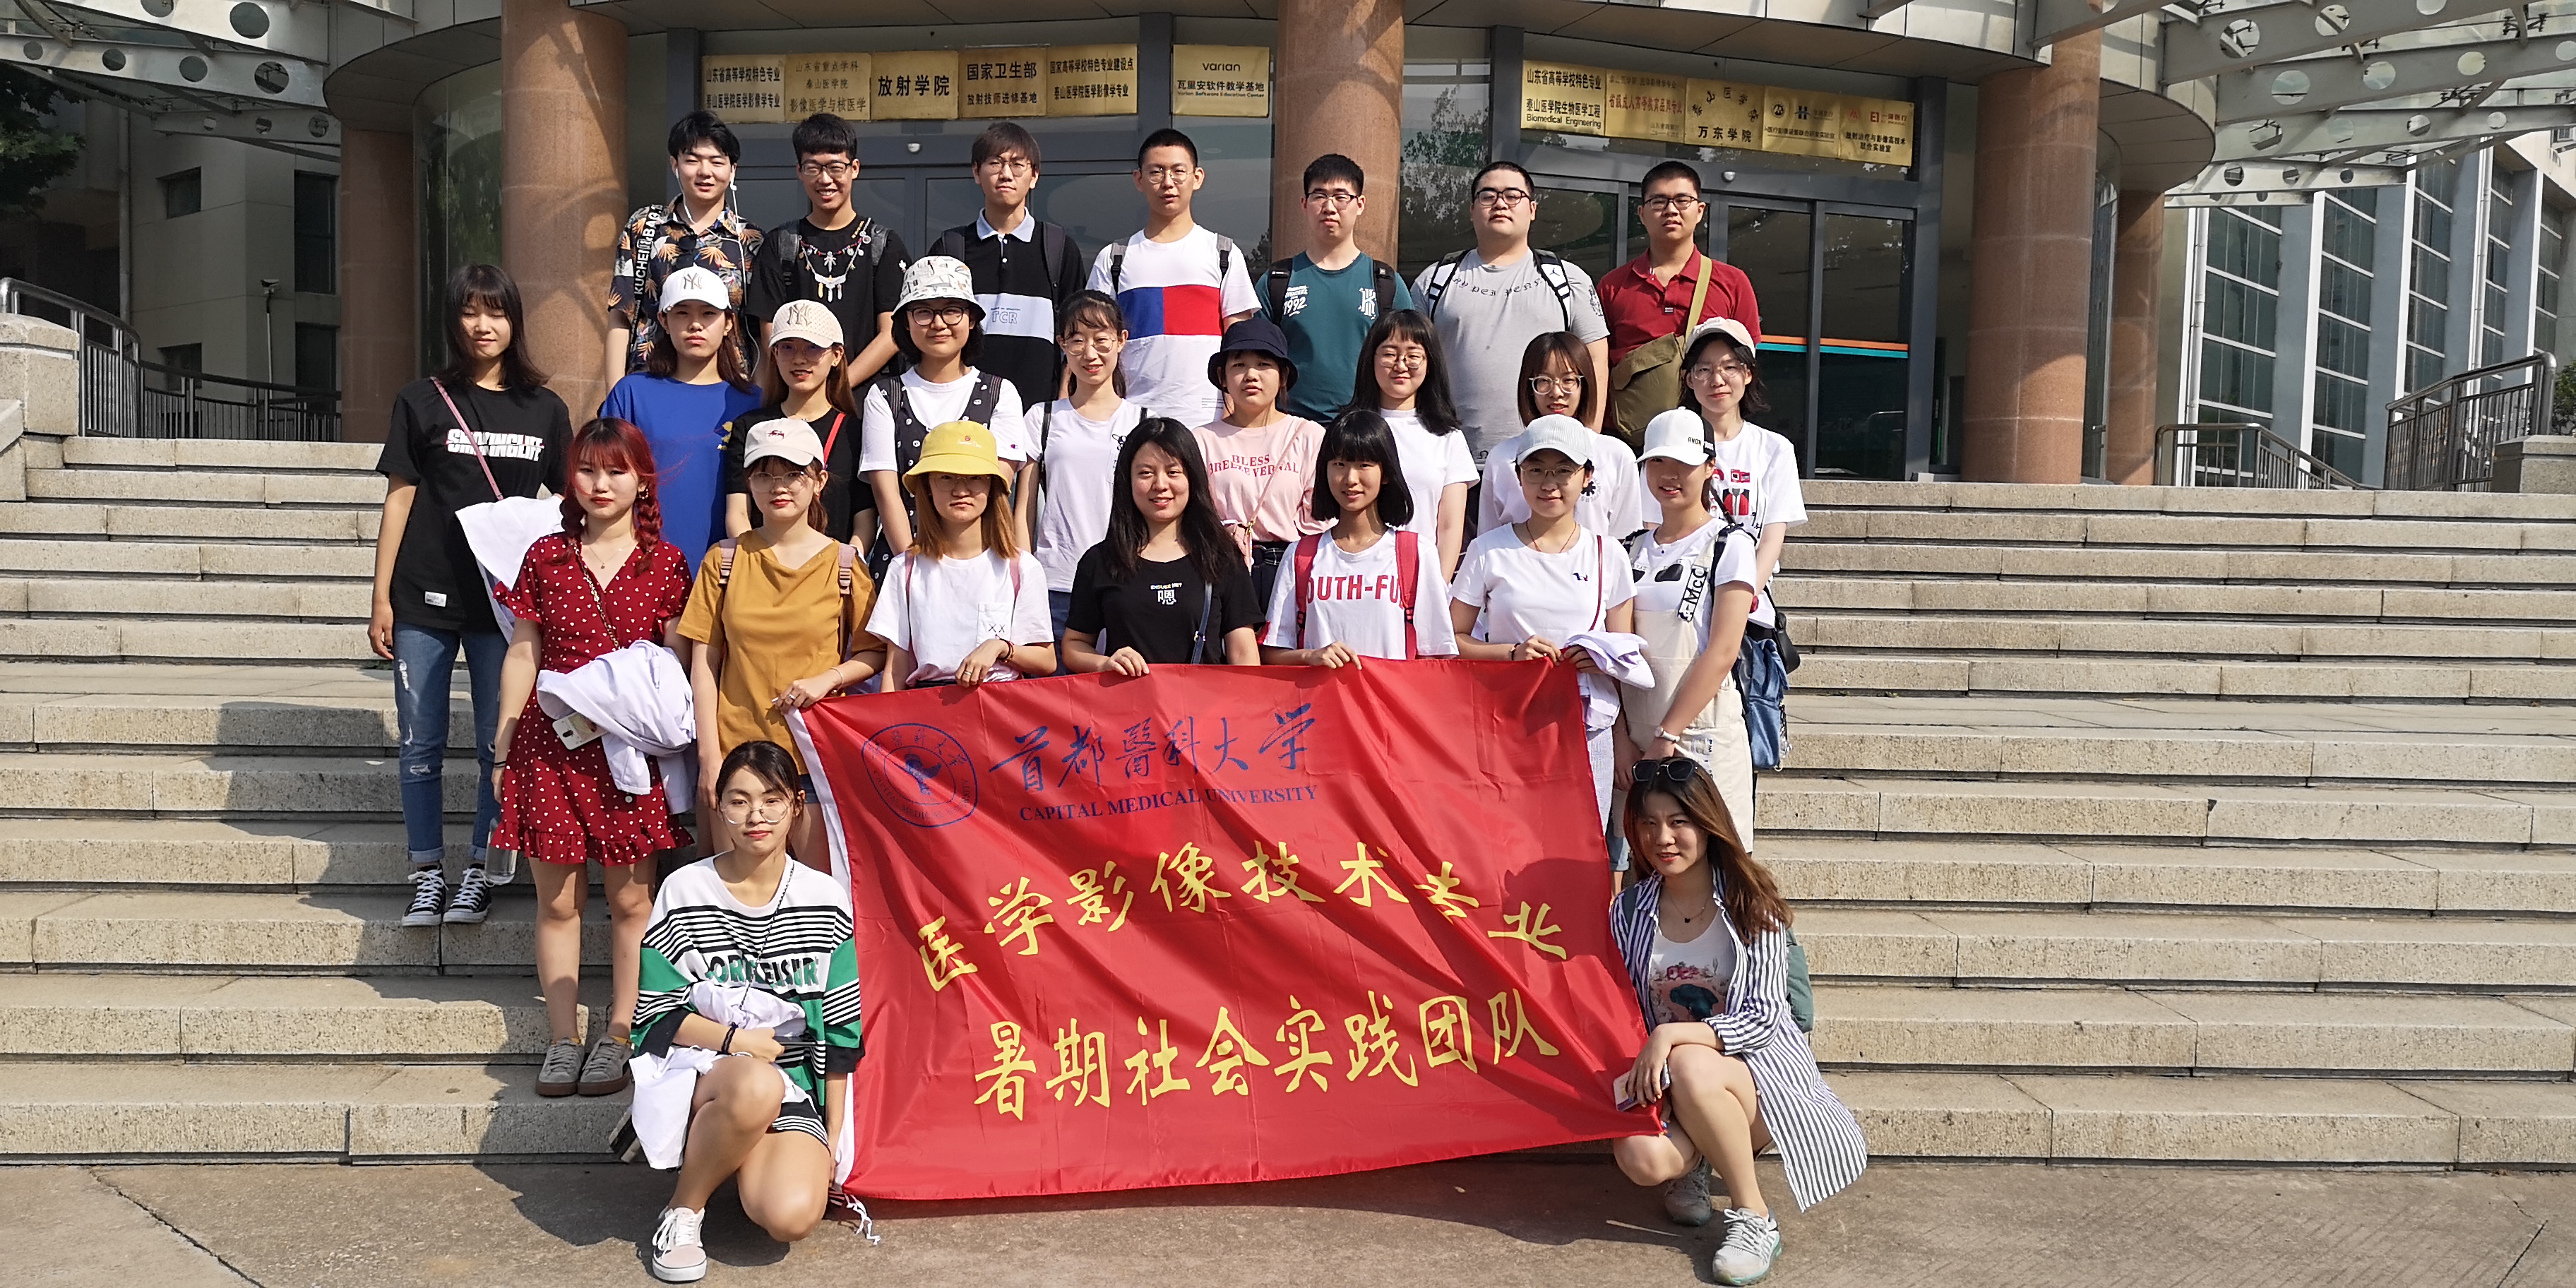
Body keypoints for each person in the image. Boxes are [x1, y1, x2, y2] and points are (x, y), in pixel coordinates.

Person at [491, 417, 696, 1100]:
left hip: (627, 752)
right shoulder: (545, 557)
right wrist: (503, 746)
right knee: (558, 903)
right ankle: (561, 1039)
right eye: (587, 469)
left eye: (615, 470)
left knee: (632, 901)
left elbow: (673, 666)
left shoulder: (666, 563)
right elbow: (524, 652)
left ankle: (619, 1032)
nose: (600, 484)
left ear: (642, 480)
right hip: (549, 747)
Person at [1611, 756, 1866, 1285]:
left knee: (1691, 1062)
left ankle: (1754, 1216)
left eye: (1679, 822)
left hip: (1756, 1084)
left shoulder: (1751, 903)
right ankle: (1700, 1159)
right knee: (1641, 1158)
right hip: (1672, 1083)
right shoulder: (1629, 910)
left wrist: (1672, 1034)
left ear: (1708, 825)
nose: (1663, 838)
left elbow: (1767, 1017)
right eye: (1649, 823)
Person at [370, 263, 569, 930]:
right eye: (470, 312)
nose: (484, 326)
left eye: (497, 312)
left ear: (515, 321)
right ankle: (427, 873)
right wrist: (381, 598)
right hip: (423, 593)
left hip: (504, 605)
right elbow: (399, 500)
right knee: (419, 743)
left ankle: (480, 870)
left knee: (497, 741)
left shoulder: (546, 409)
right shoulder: (421, 400)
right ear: (453, 321)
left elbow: (567, 506)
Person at [636, 740, 863, 1284]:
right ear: (719, 808)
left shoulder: (824, 897)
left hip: (794, 1083)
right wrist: (736, 1040)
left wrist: (832, 1138)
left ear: (796, 806)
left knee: (790, 1217)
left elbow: (842, 1030)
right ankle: (684, 1209)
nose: (756, 815)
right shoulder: (685, 890)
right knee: (756, 1085)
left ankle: (737, 1153)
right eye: (739, 801)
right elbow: (653, 1016)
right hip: (705, 1071)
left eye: (771, 800)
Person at [679, 417, 883, 871]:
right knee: (734, 896)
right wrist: (710, 757)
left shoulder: (845, 564)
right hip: (737, 757)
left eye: (793, 473)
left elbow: (874, 652)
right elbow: (705, 664)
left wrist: (829, 679)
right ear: (748, 483)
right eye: (764, 475)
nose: (779, 487)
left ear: (819, 481)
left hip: (814, 758)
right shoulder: (724, 559)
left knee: (817, 893)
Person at [1448, 418, 1638, 830]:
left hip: (1587, 728)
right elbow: (1450, 640)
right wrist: (1512, 654)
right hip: (1508, 725)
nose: (1549, 483)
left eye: (1563, 470)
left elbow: (1625, 655)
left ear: (1587, 476)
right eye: (1536, 470)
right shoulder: (1487, 550)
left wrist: (1602, 666)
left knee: (1581, 843)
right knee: (1508, 840)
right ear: (1518, 477)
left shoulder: (1608, 554)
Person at [1620, 407, 1759, 849]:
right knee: (1649, 864)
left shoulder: (1730, 544)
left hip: (1702, 738)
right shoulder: (1629, 549)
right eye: (1657, 462)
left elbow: (1723, 652)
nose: (1669, 474)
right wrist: (1622, 738)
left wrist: (1668, 735)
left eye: (1684, 463)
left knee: (1719, 864)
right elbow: (1615, 650)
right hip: (1639, 740)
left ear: (1710, 468)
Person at [1414, 160, 1611, 462]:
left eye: (1512, 195)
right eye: (1488, 196)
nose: (1500, 204)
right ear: (1472, 210)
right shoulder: (1434, 281)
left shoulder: (1569, 280)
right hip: (1451, 462)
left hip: (1547, 460)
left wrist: (1587, 441)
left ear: (1532, 209)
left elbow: (1595, 360)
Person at [859, 255, 1032, 571]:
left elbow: (999, 485)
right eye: (924, 312)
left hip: (981, 564)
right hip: (904, 562)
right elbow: (886, 494)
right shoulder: (884, 396)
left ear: (972, 319)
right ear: (906, 321)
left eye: (952, 311)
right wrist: (913, 569)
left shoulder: (1001, 393)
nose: (938, 324)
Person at [1087, 128, 1260, 428]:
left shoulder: (1223, 253)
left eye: (1178, 171)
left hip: (1208, 416)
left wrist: (1236, 409)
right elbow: (1094, 340)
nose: (1168, 182)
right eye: (1156, 172)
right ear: (1139, 180)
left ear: (1197, 177)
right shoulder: (1114, 258)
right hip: (1131, 415)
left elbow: (1240, 341)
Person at [1062, 417, 1263, 674]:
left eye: (1173, 472)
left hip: (1203, 699)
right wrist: (1105, 663)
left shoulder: (1222, 556)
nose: (1160, 485)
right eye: (1146, 473)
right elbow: (1074, 645)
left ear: (1192, 477)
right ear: (1127, 479)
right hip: (1127, 697)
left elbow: (1243, 653)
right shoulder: (1101, 560)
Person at [1260, 409, 1457, 666]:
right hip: (1319, 694)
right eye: (1339, 464)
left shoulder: (1417, 552)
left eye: (1364, 465)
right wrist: (1311, 656)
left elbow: (1437, 656)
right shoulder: (1300, 555)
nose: (1350, 479)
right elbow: (1273, 653)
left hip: (1390, 694)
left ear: (1386, 473)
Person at [870, 421, 1057, 691]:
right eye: (946, 477)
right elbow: (896, 668)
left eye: (975, 477)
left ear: (992, 486)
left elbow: (1046, 660)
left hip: (999, 703)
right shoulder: (905, 568)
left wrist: (1001, 648)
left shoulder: (1021, 567)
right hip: (926, 706)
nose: (961, 490)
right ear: (927, 486)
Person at [600, 266, 764, 567]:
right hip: (644, 568)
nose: (695, 325)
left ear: (729, 322)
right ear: (664, 320)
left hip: (731, 569)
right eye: (682, 313)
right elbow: (603, 479)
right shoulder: (631, 394)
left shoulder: (755, 403)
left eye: (708, 314)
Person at [1599, 161, 1760, 446]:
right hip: (1629, 443)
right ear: (1642, 213)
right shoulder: (1613, 286)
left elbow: (1746, 362)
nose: (1671, 210)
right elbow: (1597, 368)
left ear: (1700, 211)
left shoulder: (1733, 283)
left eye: (1682, 200)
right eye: (1658, 201)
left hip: (1710, 443)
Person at [929, 122, 1087, 413]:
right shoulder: (950, 248)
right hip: (962, 411)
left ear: (1034, 175)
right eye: (995, 163)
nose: (1006, 174)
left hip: (1040, 411)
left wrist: (1066, 398)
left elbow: (1078, 332)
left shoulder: (1059, 248)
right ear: (976, 172)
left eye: (1017, 164)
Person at [744, 112, 909, 390]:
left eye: (835, 167)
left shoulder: (884, 244)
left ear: (854, 168)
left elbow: (891, 335)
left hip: (866, 402)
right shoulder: (780, 244)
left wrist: (838, 389)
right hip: (796, 399)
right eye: (813, 168)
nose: (825, 179)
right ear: (799, 171)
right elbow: (771, 333)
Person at [609, 111, 764, 388]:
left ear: (732, 170)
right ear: (675, 164)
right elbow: (621, 315)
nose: (705, 172)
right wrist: (614, 395)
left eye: (717, 161)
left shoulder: (749, 240)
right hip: (650, 384)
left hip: (728, 391)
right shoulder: (645, 226)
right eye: (692, 160)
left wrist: (759, 399)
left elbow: (760, 333)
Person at [1264, 153, 1414, 422]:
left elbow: (1411, 358)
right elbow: (1255, 360)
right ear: (1304, 204)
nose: (1329, 207)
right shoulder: (1278, 280)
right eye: (1319, 196)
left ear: (1360, 204)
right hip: (1291, 428)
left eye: (1341, 196)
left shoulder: (1386, 283)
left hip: (1365, 428)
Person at [1030, 290, 1145, 640]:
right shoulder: (1042, 417)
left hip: (1127, 581)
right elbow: (1023, 508)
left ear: (1121, 340)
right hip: (1056, 585)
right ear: (1062, 344)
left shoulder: (1143, 421)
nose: (1090, 353)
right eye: (1077, 340)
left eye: (1101, 339)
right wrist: (1024, 575)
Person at [1192, 316, 1324, 609]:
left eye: (1264, 364)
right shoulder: (1201, 440)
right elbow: (1193, 512)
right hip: (1223, 567)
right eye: (1239, 365)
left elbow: (1321, 518)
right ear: (1223, 377)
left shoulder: (1309, 435)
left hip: (1294, 570)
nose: (1251, 375)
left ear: (1283, 376)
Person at [1679, 318, 1804, 622]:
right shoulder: (1673, 443)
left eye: (1730, 367)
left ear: (1748, 374)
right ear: (1689, 379)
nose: (1717, 379)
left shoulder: (1775, 449)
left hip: (1748, 607)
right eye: (1704, 369)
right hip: (1679, 601)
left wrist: (1743, 598)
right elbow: (1655, 526)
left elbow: (1772, 538)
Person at [717, 299, 871, 547]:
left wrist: (846, 563)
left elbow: (864, 520)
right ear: (775, 354)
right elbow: (738, 513)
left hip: (834, 567)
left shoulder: (855, 431)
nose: (799, 359)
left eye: (813, 348)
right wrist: (758, 563)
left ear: (836, 355)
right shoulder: (749, 427)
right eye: (787, 347)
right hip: (761, 564)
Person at [1480, 330, 1647, 541]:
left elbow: (1625, 538)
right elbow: (1488, 539)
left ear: (1584, 385)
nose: (1556, 392)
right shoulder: (1501, 458)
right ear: (1529, 388)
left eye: (1568, 380)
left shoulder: (1616, 455)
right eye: (1543, 381)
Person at [1351, 310, 1477, 578]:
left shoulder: (1448, 437)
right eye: (1389, 354)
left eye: (1413, 355)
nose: (1400, 365)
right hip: (1357, 578)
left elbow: (1450, 527)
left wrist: (1437, 587)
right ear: (1371, 358)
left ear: (1430, 363)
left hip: (1420, 579)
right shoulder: (1349, 430)